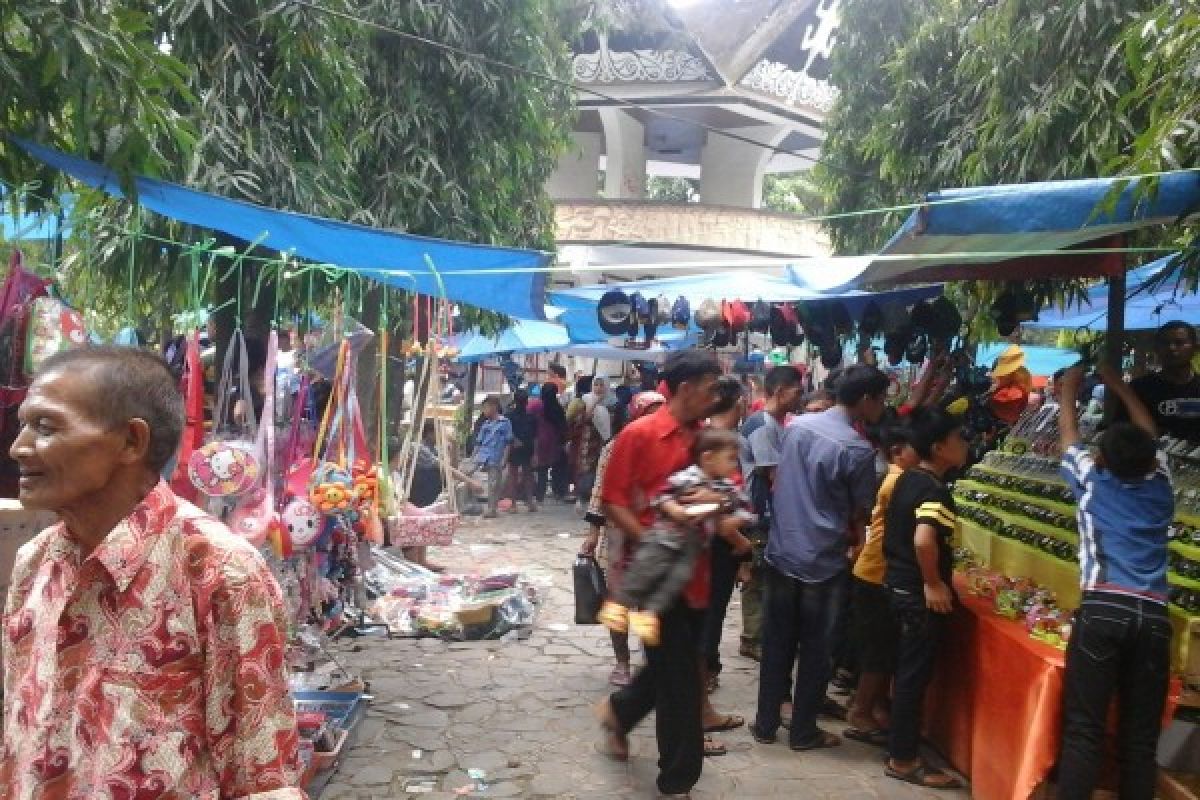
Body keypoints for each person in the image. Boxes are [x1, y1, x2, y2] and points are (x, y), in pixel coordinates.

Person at [1, 347, 304, 798]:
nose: (18, 447)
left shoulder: (220, 573)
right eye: (24, 425)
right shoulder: (34, 563)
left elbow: (262, 778)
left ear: (131, 442)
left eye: (46, 427)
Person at [593, 350, 722, 798]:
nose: (717, 396)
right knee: (683, 681)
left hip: (697, 574)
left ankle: (620, 712)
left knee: (673, 665)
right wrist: (650, 543)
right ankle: (678, 780)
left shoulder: (706, 439)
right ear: (686, 387)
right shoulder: (640, 435)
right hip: (652, 581)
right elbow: (613, 500)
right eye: (711, 386)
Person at [751, 365, 888, 751]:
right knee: (816, 647)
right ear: (865, 400)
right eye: (880, 399)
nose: (883, 406)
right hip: (823, 559)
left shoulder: (797, 427)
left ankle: (765, 722)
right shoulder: (856, 449)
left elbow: (779, 480)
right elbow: (861, 508)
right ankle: (803, 730)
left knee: (777, 640)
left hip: (783, 548)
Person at [1056, 364, 1175, 800]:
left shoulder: (1092, 483)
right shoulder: (1162, 485)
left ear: (1101, 458)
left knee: (1084, 731)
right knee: (1140, 740)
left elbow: (1069, 438)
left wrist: (1069, 391)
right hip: (1155, 615)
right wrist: (1120, 386)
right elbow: (1148, 433)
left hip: (1104, 609)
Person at [598, 428, 754, 646]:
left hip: (692, 547)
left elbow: (746, 509)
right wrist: (673, 508)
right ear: (708, 458)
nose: (733, 465)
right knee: (644, 569)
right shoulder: (688, 477)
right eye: (729, 459)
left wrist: (733, 519)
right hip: (665, 536)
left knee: (676, 579)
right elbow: (661, 496)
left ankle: (649, 613)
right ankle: (619, 604)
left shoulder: (727, 487)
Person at [881, 407, 969, 789]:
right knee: (913, 677)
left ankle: (901, 749)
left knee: (906, 673)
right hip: (916, 592)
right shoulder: (933, 489)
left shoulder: (908, 479)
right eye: (959, 439)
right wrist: (933, 583)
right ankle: (903, 759)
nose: (966, 445)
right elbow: (923, 540)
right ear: (939, 447)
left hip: (897, 583)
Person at [582, 391, 667, 687]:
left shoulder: (668, 444)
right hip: (618, 535)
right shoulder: (615, 446)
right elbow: (600, 492)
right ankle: (622, 661)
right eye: (651, 411)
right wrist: (592, 534)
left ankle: (650, 659)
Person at [844, 421, 918, 746]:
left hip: (875, 572)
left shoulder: (895, 477)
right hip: (875, 573)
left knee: (881, 649)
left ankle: (871, 704)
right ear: (898, 451)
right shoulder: (897, 482)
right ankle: (861, 712)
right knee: (879, 651)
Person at [738, 366, 806, 661]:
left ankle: (759, 635)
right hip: (758, 513)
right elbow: (774, 477)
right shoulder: (763, 427)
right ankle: (752, 638)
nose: (800, 396)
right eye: (797, 391)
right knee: (757, 577)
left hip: (766, 513)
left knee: (764, 576)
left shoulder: (777, 424)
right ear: (779, 391)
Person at [702, 375, 752, 688]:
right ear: (739, 402)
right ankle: (704, 670)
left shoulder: (707, 436)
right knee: (711, 610)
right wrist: (741, 544)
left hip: (713, 539)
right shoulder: (723, 442)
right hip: (718, 540)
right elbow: (717, 505)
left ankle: (706, 666)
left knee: (708, 609)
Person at [1121, 320, 1200, 441]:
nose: (1172, 348)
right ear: (1156, 349)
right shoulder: (1139, 389)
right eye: (1165, 343)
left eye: (1179, 343)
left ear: (1195, 347)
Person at [567, 376, 612, 512]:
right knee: (586, 471)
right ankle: (581, 498)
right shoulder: (585, 400)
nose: (598, 388)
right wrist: (595, 403)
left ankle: (600, 502)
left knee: (603, 472)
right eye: (596, 385)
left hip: (605, 443)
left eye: (601, 385)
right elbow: (584, 418)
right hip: (587, 442)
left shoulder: (612, 402)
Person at [473, 395, 513, 519]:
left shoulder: (505, 423)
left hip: (496, 456)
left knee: (494, 484)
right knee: (466, 476)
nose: (484, 411)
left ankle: (492, 508)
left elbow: (508, 443)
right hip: (482, 456)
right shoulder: (485, 424)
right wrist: (472, 458)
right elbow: (478, 443)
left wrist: (504, 459)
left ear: (494, 407)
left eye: (485, 408)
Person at [531, 382, 569, 503]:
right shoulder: (557, 407)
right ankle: (559, 492)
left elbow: (528, 416)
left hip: (539, 439)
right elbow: (563, 425)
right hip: (554, 440)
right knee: (558, 467)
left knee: (542, 469)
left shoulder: (536, 405)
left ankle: (540, 496)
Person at [503, 388, 538, 512]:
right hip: (525, 448)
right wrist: (535, 454)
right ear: (526, 401)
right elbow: (535, 437)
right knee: (526, 475)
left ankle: (515, 504)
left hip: (517, 448)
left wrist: (514, 440)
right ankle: (528, 502)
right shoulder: (531, 416)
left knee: (514, 476)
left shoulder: (509, 415)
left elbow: (506, 433)